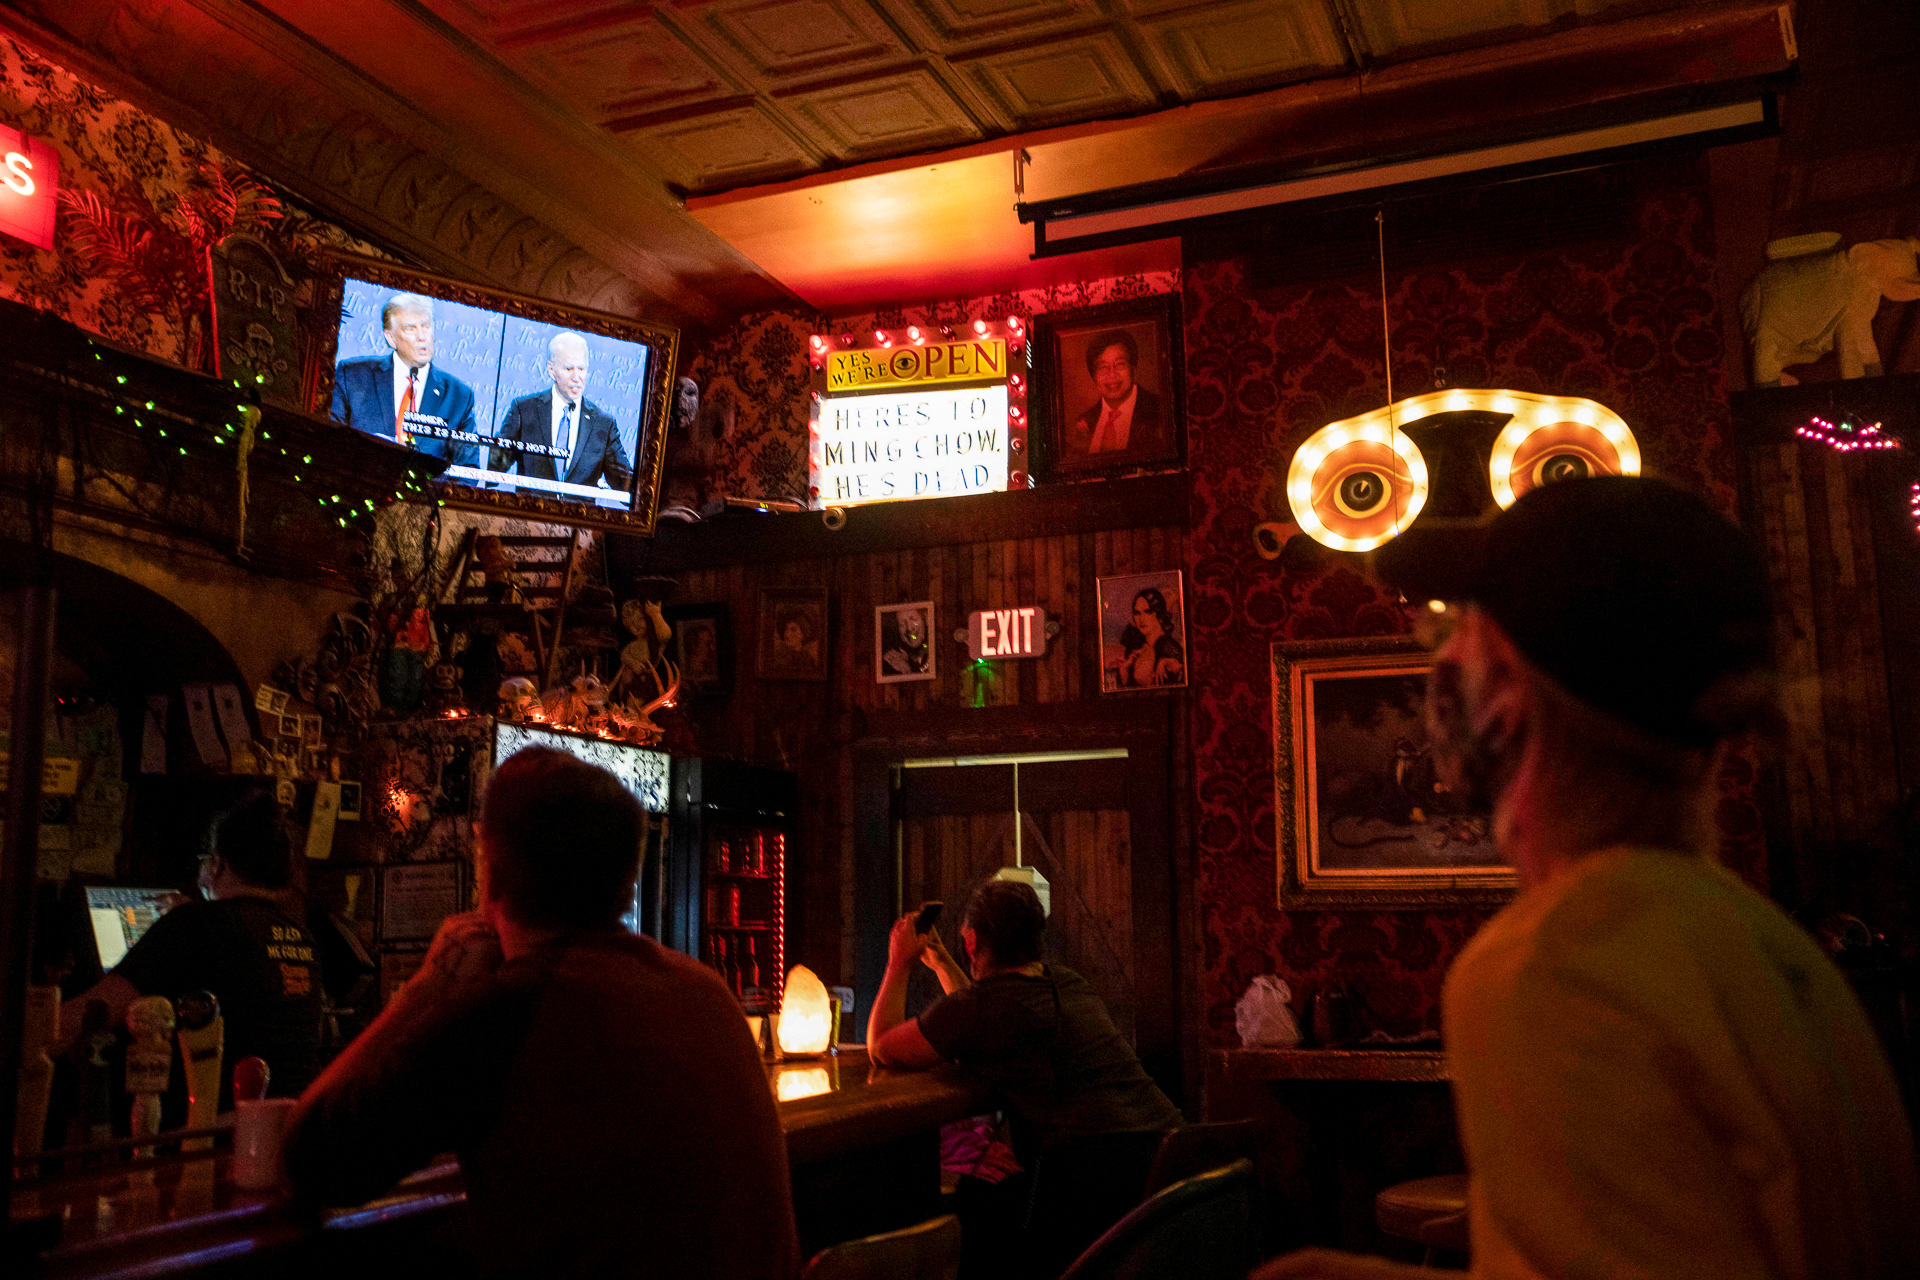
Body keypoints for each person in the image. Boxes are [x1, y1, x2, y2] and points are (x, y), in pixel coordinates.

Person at [1257, 475, 1920, 1280]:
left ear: (1509, 694)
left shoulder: (1553, 969)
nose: (1444, 650)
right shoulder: (1766, 945)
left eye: (1463, 624)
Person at [285, 747, 797, 1279]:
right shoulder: (706, 990)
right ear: (627, 879)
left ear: (494, 876)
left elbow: (311, 1157)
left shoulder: (513, 1007)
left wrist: (425, 986)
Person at [869, 879, 1182, 1276]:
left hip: (1099, 1185)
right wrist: (943, 963)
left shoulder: (984, 1007)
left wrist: (899, 961)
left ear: (971, 941)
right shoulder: (1067, 982)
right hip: (1171, 1165)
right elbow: (980, 1012)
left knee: (978, 1203)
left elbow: (881, 1044)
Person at [57, 791, 322, 1105]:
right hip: (285, 1126)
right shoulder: (302, 936)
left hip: (206, 1135)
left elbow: (92, 1015)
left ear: (218, 864)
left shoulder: (196, 925)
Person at [330, 291, 478, 464]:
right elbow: (331, 445)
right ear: (391, 338)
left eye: (426, 326)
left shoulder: (459, 396)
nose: (422, 337)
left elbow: (467, 469)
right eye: (411, 328)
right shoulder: (352, 376)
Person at [488, 331, 633, 492]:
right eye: (569, 368)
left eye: (582, 369)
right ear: (551, 370)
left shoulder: (603, 424)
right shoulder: (524, 409)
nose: (577, 377)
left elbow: (626, 484)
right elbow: (494, 468)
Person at [1068, 329, 1162, 456]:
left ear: (1133, 368)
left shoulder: (1159, 411)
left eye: (1120, 364)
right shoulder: (1085, 421)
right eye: (1102, 367)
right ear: (1093, 376)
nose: (1111, 374)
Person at [1106, 586, 1183, 689]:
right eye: (1137, 613)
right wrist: (1124, 669)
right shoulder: (1136, 649)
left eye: (1148, 612)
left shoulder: (1168, 646)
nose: (1141, 619)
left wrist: (1166, 662)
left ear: (1159, 614)